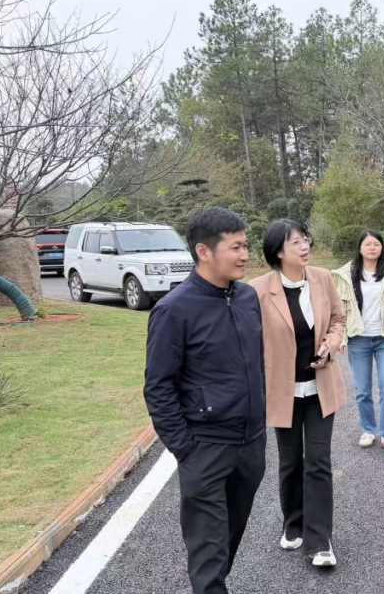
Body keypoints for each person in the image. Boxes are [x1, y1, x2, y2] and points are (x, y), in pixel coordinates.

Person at [142, 207, 266, 594]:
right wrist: (186, 449)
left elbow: (256, 363)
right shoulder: (174, 309)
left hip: (251, 443)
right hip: (206, 447)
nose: (245, 255)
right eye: (235, 247)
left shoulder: (247, 297)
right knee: (208, 550)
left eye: (245, 245)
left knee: (227, 539)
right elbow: (158, 386)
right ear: (204, 251)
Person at [250, 219, 347, 567]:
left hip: (320, 388)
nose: (305, 246)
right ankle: (293, 523)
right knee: (290, 462)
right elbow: (248, 338)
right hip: (283, 391)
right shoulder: (257, 290)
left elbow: (338, 320)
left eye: (305, 239)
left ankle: (321, 541)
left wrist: (330, 345)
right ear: (278, 251)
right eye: (295, 242)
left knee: (318, 461)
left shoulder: (322, 278)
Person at [331, 229, 384, 455]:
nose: (372, 247)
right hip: (359, 339)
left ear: (382, 247)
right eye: (368, 244)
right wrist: (341, 337)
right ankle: (368, 429)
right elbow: (338, 309)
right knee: (362, 390)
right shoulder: (345, 275)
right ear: (360, 248)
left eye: (376, 244)